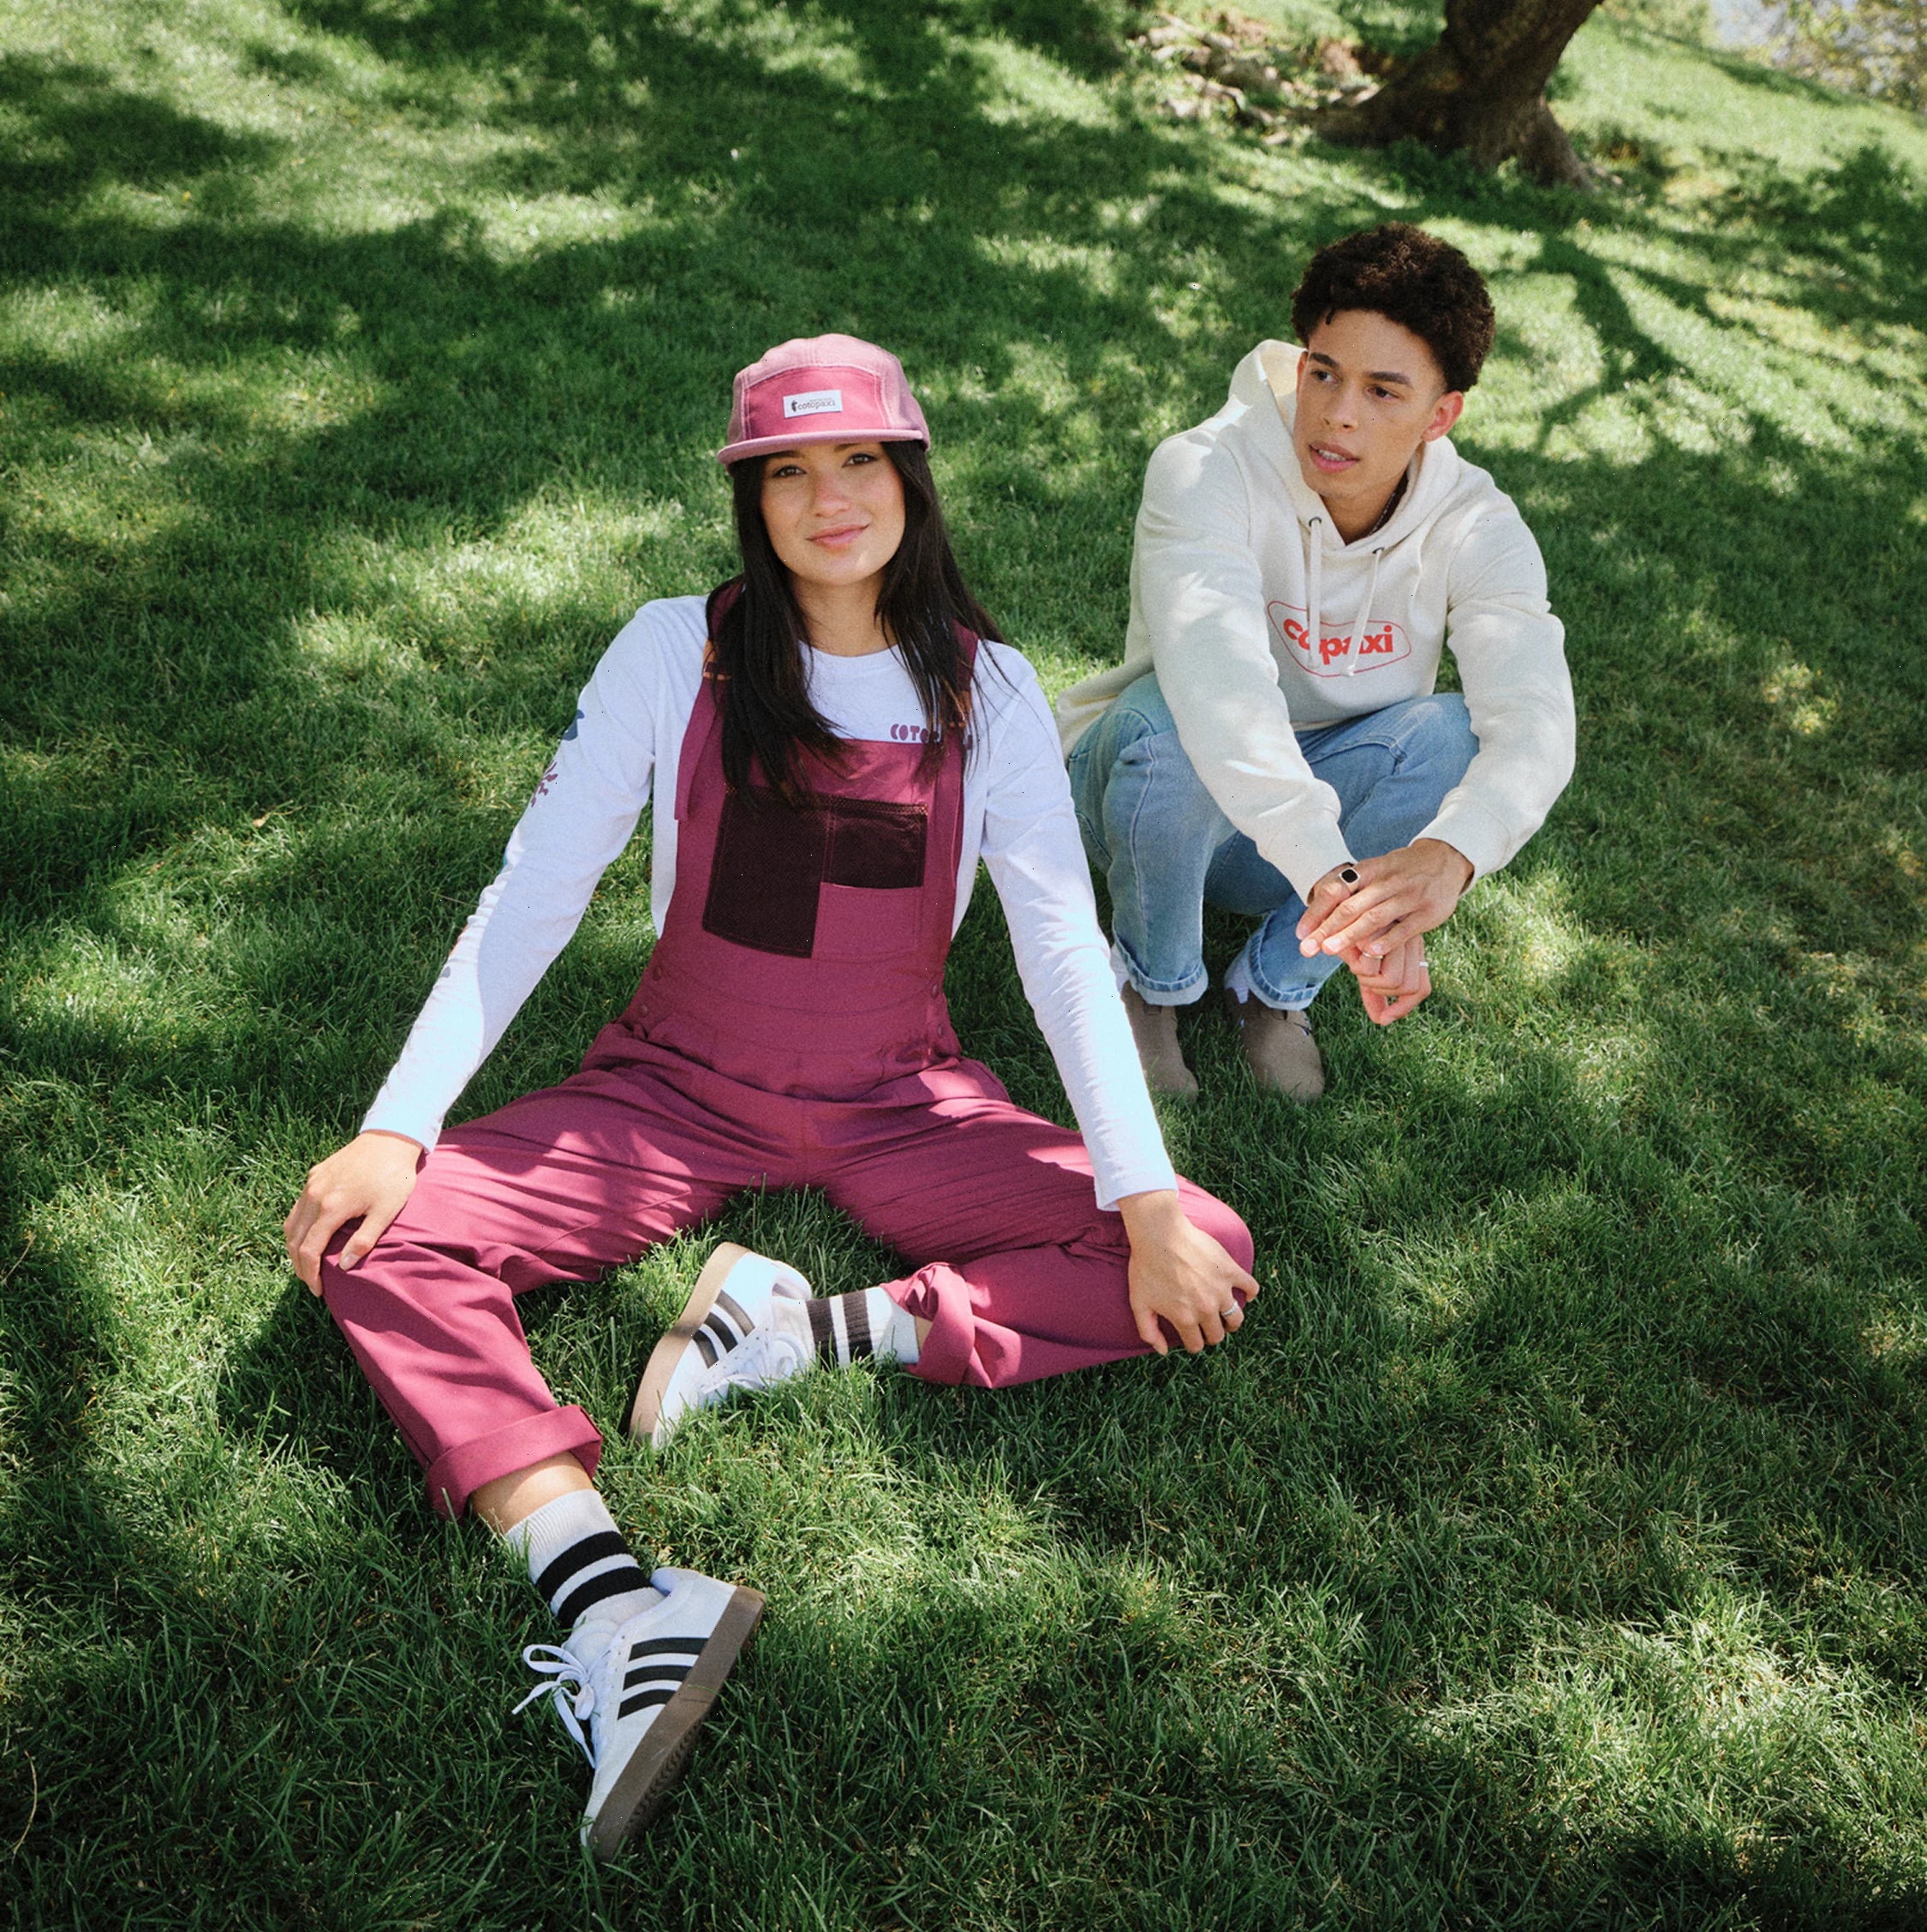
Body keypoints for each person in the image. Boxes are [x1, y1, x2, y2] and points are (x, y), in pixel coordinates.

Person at [282, 336, 1256, 1858]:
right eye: (786, 471)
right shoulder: (675, 651)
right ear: (751, 498)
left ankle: (807, 1328)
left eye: (858, 460)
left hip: (897, 1097)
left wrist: (1139, 1201)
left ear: (910, 477)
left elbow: (1063, 952)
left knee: (1203, 1244)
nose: (827, 498)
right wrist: (399, 1123)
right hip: (675, 1090)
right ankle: (608, 1599)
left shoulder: (990, 688)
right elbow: (536, 888)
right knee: (376, 1239)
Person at [1059, 224, 1576, 1100]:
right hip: (1143, 798)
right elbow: (1219, 693)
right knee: (1169, 721)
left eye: (1383, 391)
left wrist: (1451, 855)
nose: (1338, 413)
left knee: (1454, 734)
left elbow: (1535, 717)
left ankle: (1273, 988)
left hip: (1318, 805)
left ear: (1440, 416)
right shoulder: (1201, 469)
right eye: (1325, 373)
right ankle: (1149, 986)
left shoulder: (1479, 523)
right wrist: (1339, 886)